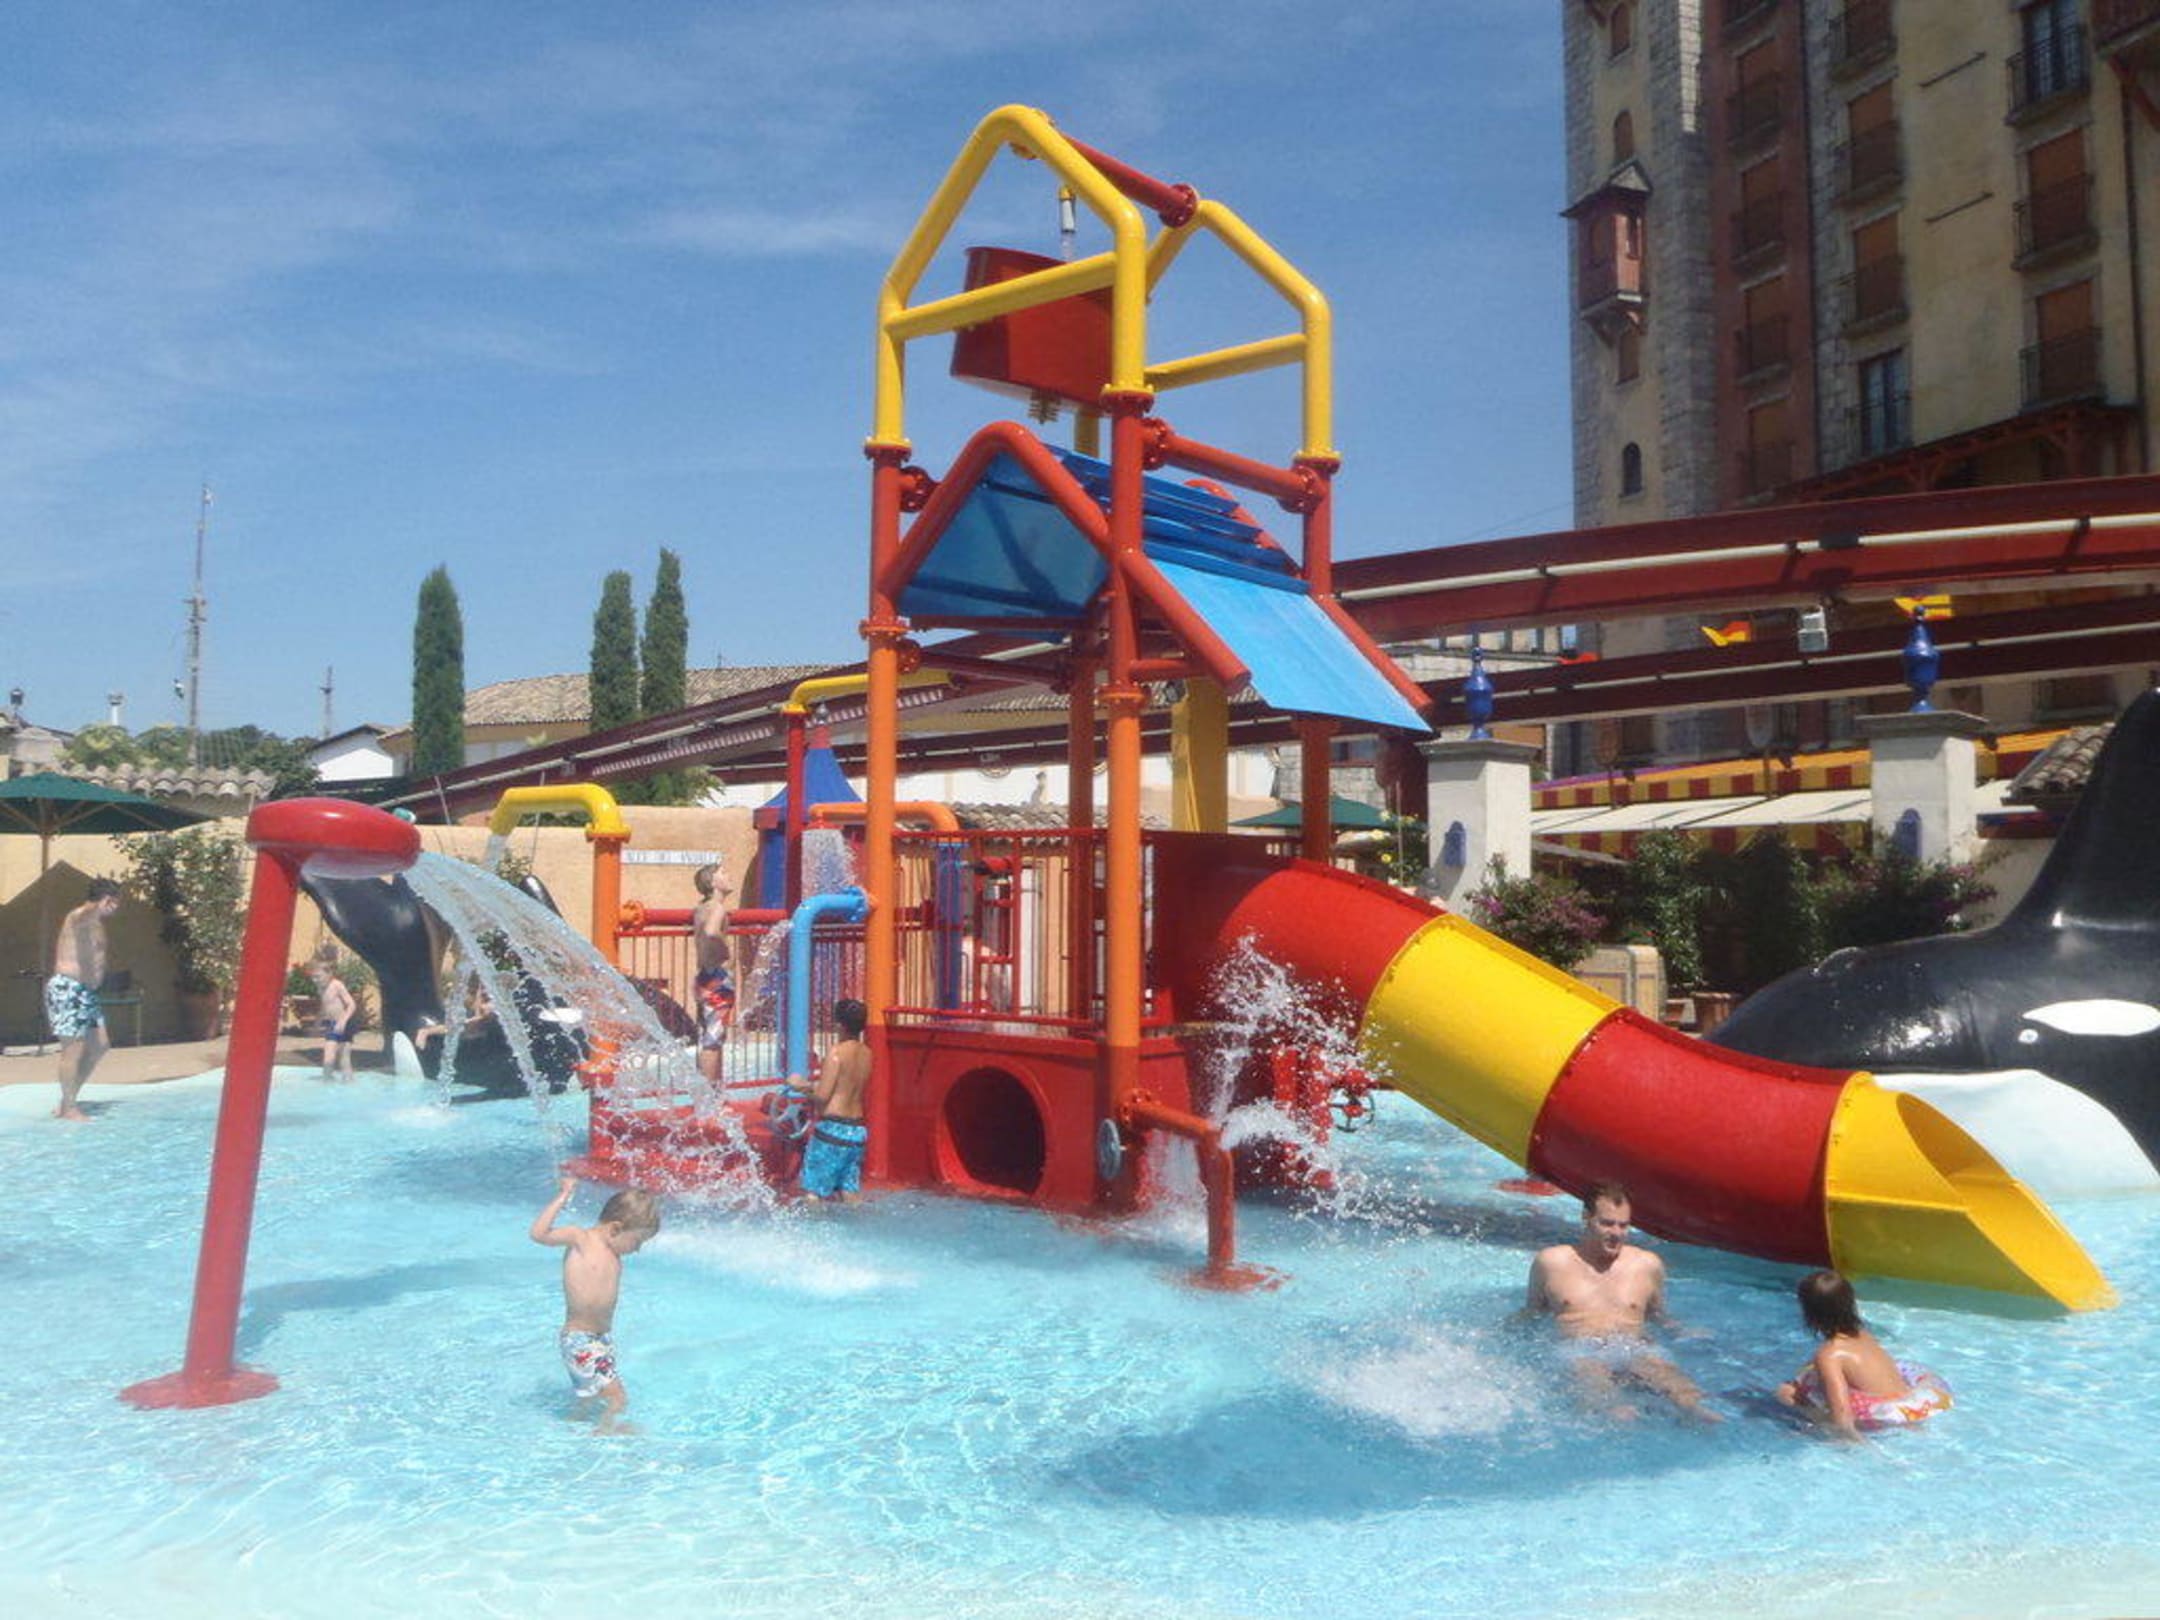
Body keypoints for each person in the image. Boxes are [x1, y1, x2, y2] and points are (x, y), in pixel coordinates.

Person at [1524, 1180, 1716, 1421]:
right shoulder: (1552, 1263)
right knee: (1614, 1409)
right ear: (1586, 1217)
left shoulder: (1647, 1265)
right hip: (1580, 1351)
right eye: (1607, 1223)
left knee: (1690, 1403)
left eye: (1623, 1225)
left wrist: (1681, 1330)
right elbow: (1532, 1314)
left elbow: (1657, 1315)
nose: (1616, 1233)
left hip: (1634, 1347)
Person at [529, 1176, 661, 1425]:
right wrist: (563, 1195)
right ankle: (608, 1434)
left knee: (590, 1399)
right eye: (637, 1241)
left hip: (601, 1340)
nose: (637, 1249)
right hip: (580, 1339)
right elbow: (539, 1234)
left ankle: (572, 1429)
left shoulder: (614, 1255)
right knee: (617, 1397)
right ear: (615, 1228)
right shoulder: (581, 1239)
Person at [1776, 1269, 1952, 1438]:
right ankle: (1910, 1428)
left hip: (1878, 1417)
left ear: (1810, 1313)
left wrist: (1849, 1439)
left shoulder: (1829, 1354)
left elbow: (1842, 1416)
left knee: (1785, 1391)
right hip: (1905, 1405)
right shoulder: (1864, 1335)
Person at [46, 877, 123, 1121]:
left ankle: (67, 1100)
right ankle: (69, 1108)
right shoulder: (78, 917)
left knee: (100, 1045)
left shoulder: (97, 924)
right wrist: (96, 905)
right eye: (115, 902)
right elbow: (84, 913)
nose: (117, 908)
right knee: (73, 1049)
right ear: (107, 900)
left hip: (86, 993)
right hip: (68, 989)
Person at [797, 997, 872, 1204]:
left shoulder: (836, 1053)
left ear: (839, 1024)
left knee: (813, 1192)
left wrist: (800, 1086)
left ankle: (814, 1226)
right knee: (848, 1190)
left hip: (832, 1130)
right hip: (857, 1132)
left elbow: (822, 1096)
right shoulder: (867, 1054)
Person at [692, 863, 736, 1084]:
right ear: (713, 882)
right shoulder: (718, 908)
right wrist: (725, 946)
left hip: (703, 977)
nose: (728, 876)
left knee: (708, 1037)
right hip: (718, 978)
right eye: (723, 873)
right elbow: (711, 931)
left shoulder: (701, 908)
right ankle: (708, 1096)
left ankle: (710, 1090)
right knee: (713, 1040)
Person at [313, 960, 358, 1081]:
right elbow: (324, 1007)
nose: (315, 980)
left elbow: (352, 1005)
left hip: (345, 1024)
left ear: (329, 974)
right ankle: (327, 1083)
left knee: (344, 1059)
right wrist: (318, 1022)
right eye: (313, 977)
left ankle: (348, 1083)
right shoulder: (320, 988)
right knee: (328, 1057)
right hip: (332, 1024)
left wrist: (343, 1021)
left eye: (318, 976)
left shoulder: (337, 985)